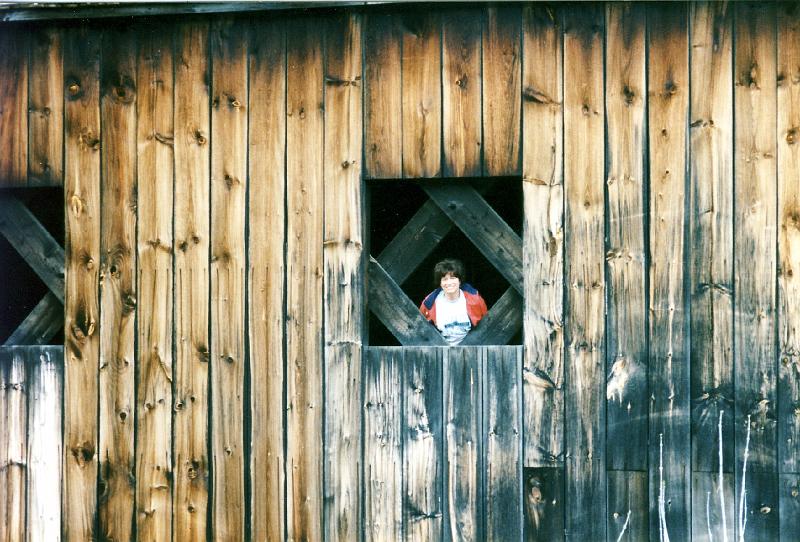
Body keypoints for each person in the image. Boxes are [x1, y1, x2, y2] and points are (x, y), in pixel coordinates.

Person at [419, 258, 488, 345]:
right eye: (444, 279)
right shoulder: (429, 303)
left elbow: (486, 325)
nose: (449, 283)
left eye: (452, 278)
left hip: (472, 349)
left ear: (459, 280)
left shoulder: (475, 299)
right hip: (440, 351)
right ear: (440, 283)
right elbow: (421, 330)